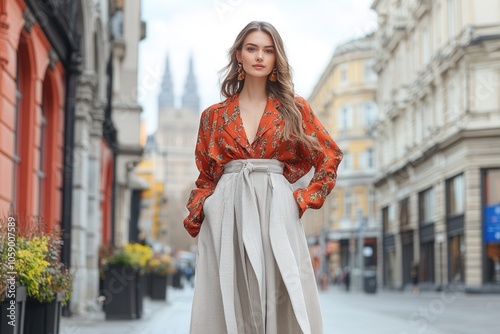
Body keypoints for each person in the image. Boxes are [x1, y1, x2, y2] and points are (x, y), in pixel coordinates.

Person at [183, 21, 343, 334]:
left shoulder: (294, 109)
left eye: (268, 50)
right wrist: (207, 207)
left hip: (276, 207)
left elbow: (329, 155)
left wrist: (301, 199)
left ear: (275, 59)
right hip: (228, 211)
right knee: (231, 296)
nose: (260, 56)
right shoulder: (213, 116)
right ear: (239, 56)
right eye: (252, 48)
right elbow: (206, 174)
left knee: (281, 291)